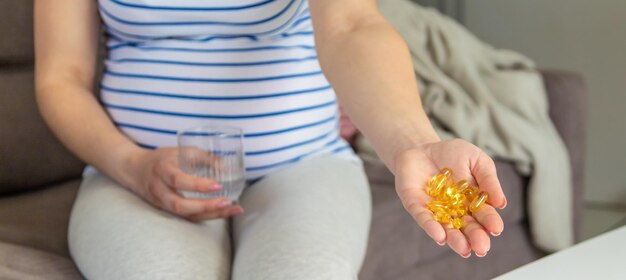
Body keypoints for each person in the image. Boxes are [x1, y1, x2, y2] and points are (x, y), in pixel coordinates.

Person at [34, 0, 507, 279]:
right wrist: (130, 165)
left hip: (304, 165)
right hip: (130, 174)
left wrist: (413, 142)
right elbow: (62, 75)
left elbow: (352, 25)